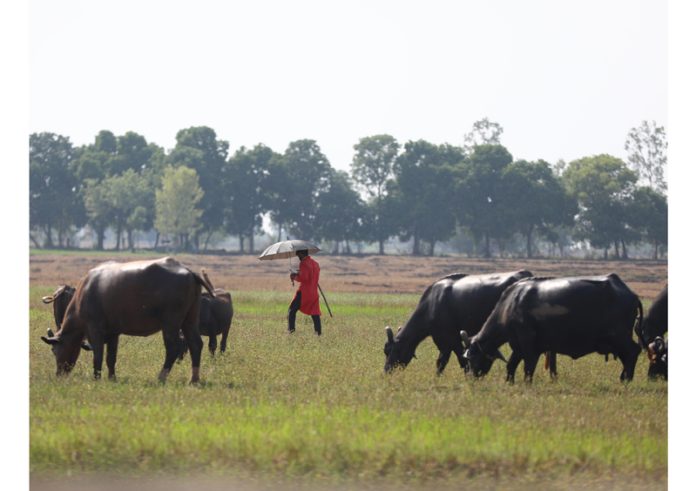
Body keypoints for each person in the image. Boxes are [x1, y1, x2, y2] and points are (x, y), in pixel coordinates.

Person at [288, 249, 321, 335]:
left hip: (304, 293)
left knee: (291, 310)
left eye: (298, 254)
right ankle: (318, 334)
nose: (298, 257)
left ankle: (291, 331)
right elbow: (310, 276)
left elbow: (304, 278)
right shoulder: (315, 264)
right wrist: (299, 273)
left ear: (302, 253)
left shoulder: (303, 263)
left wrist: (294, 276)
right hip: (314, 293)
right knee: (315, 313)